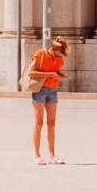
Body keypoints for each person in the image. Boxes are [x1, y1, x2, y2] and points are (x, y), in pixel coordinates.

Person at [27, 37, 67, 165]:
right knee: (39, 123)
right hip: (39, 89)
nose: (62, 57)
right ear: (53, 50)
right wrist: (50, 74)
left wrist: (59, 74)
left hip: (52, 89)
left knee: (51, 124)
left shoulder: (60, 59)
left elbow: (54, 69)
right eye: (61, 53)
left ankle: (52, 156)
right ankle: (37, 155)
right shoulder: (40, 54)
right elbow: (31, 73)